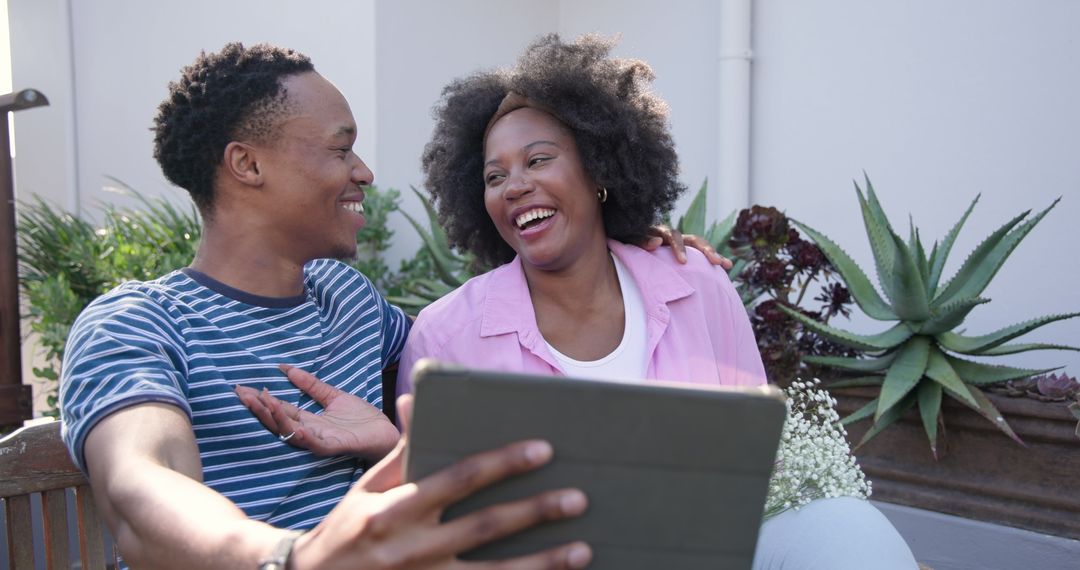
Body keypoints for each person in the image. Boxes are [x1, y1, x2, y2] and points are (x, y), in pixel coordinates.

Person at [58, 42, 594, 570]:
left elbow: (476, 339)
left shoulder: (348, 298)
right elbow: (143, 492)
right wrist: (296, 559)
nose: (363, 172)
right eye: (341, 149)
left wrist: (630, 253)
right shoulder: (136, 325)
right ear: (247, 163)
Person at [396, 34, 919, 569]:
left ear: (599, 169)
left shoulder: (696, 286)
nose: (515, 185)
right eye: (494, 176)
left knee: (847, 527)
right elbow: (432, 515)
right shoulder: (446, 336)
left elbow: (754, 462)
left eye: (539, 160)